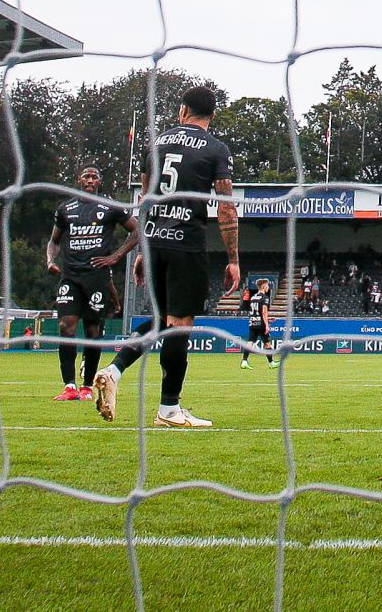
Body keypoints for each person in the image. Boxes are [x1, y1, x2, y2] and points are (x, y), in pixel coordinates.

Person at [91, 86, 240, 428]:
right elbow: (226, 208)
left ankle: (114, 371)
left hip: (155, 242)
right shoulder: (216, 149)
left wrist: (142, 250)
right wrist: (233, 259)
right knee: (180, 325)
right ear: (212, 115)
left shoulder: (155, 144)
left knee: (162, 321)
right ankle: (169, 410)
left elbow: (145, 199)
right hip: (186, 243)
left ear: (183, 110)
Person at [46, 165, 138, 401]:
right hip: (70, 275)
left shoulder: (110, 206)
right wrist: (50, 260)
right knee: (66, 326)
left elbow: (137, 231)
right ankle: (69, 386)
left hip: (96, 276)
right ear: (79, 179)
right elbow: (54, 240)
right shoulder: (66, 208)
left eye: (94, 177)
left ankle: (87, 387)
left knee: (92, 330)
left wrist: (115, 257)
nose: (89, 180)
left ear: (99, 182)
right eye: (86, 176)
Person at [241, 279, 276, 370]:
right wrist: (267, 324)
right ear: (263, 286)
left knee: (250, 342)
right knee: (267, 343)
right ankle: (271, 363)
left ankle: (244, 361)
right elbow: (264, 312)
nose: (268, 287)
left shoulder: (253, 297)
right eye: (267, 285)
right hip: (261, 324)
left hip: (252, 322)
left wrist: (267, 319)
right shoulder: (265, 298)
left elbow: (255, 312)